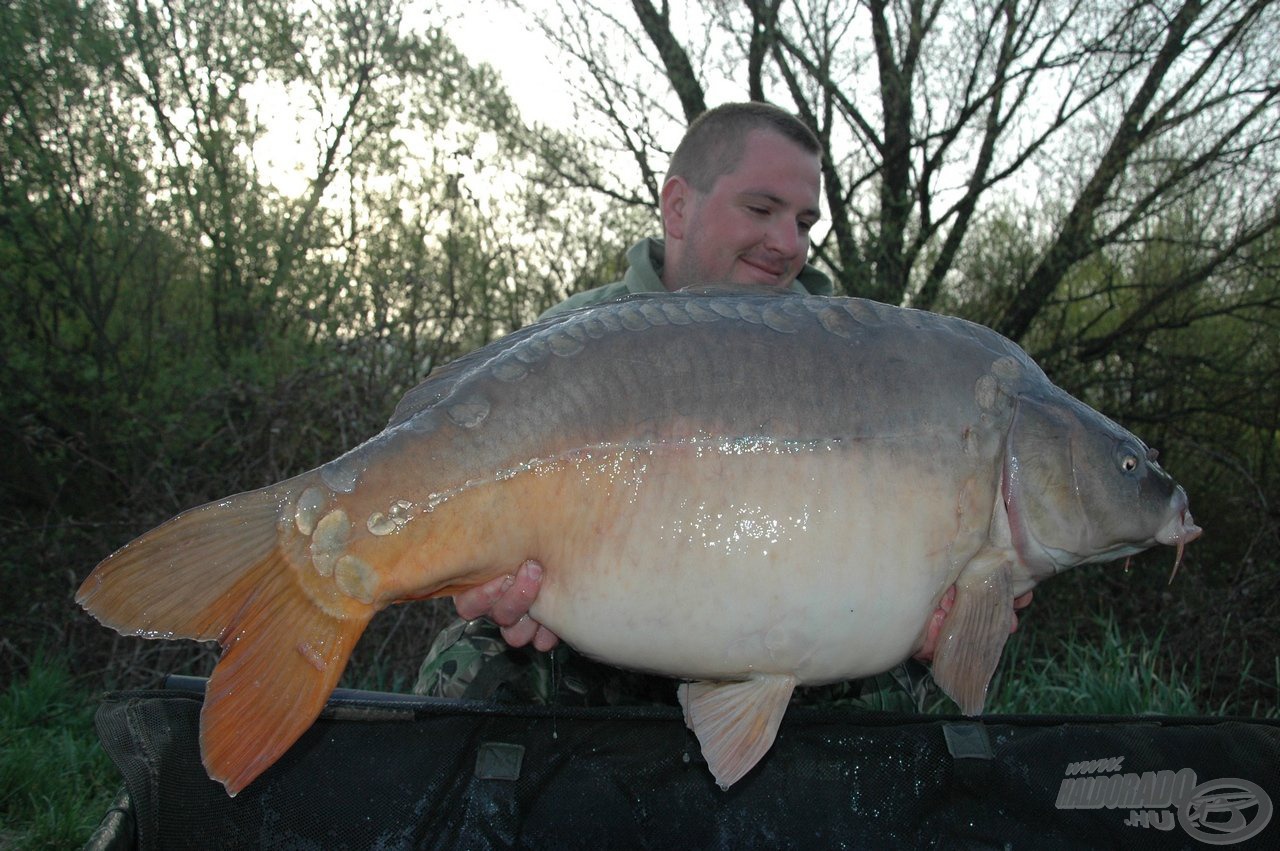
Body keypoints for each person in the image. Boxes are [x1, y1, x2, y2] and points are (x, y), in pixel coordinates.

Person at [414, 102, 1030, 704]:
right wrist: (496, 585)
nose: (787, 243)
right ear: (678, 207)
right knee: (474, 659)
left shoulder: (858, 362)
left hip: (798, 646)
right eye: (762, 208)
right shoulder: (569, 343)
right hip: (601, 650)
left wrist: (928, 625)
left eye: (806, 222)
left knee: (904, 698)